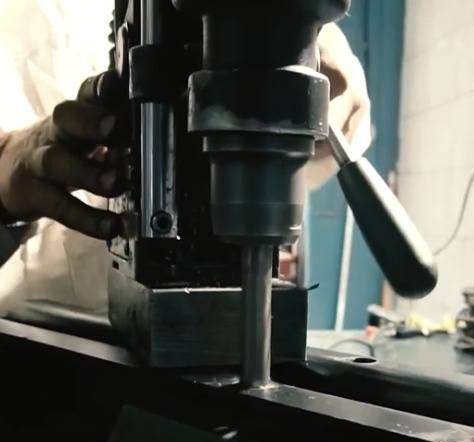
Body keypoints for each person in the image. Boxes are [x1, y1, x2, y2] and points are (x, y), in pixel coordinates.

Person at [0, 1, 371, 318]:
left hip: (205, 306)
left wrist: (316, 70)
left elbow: (347, 108)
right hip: (33, 339)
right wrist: (4, 168)